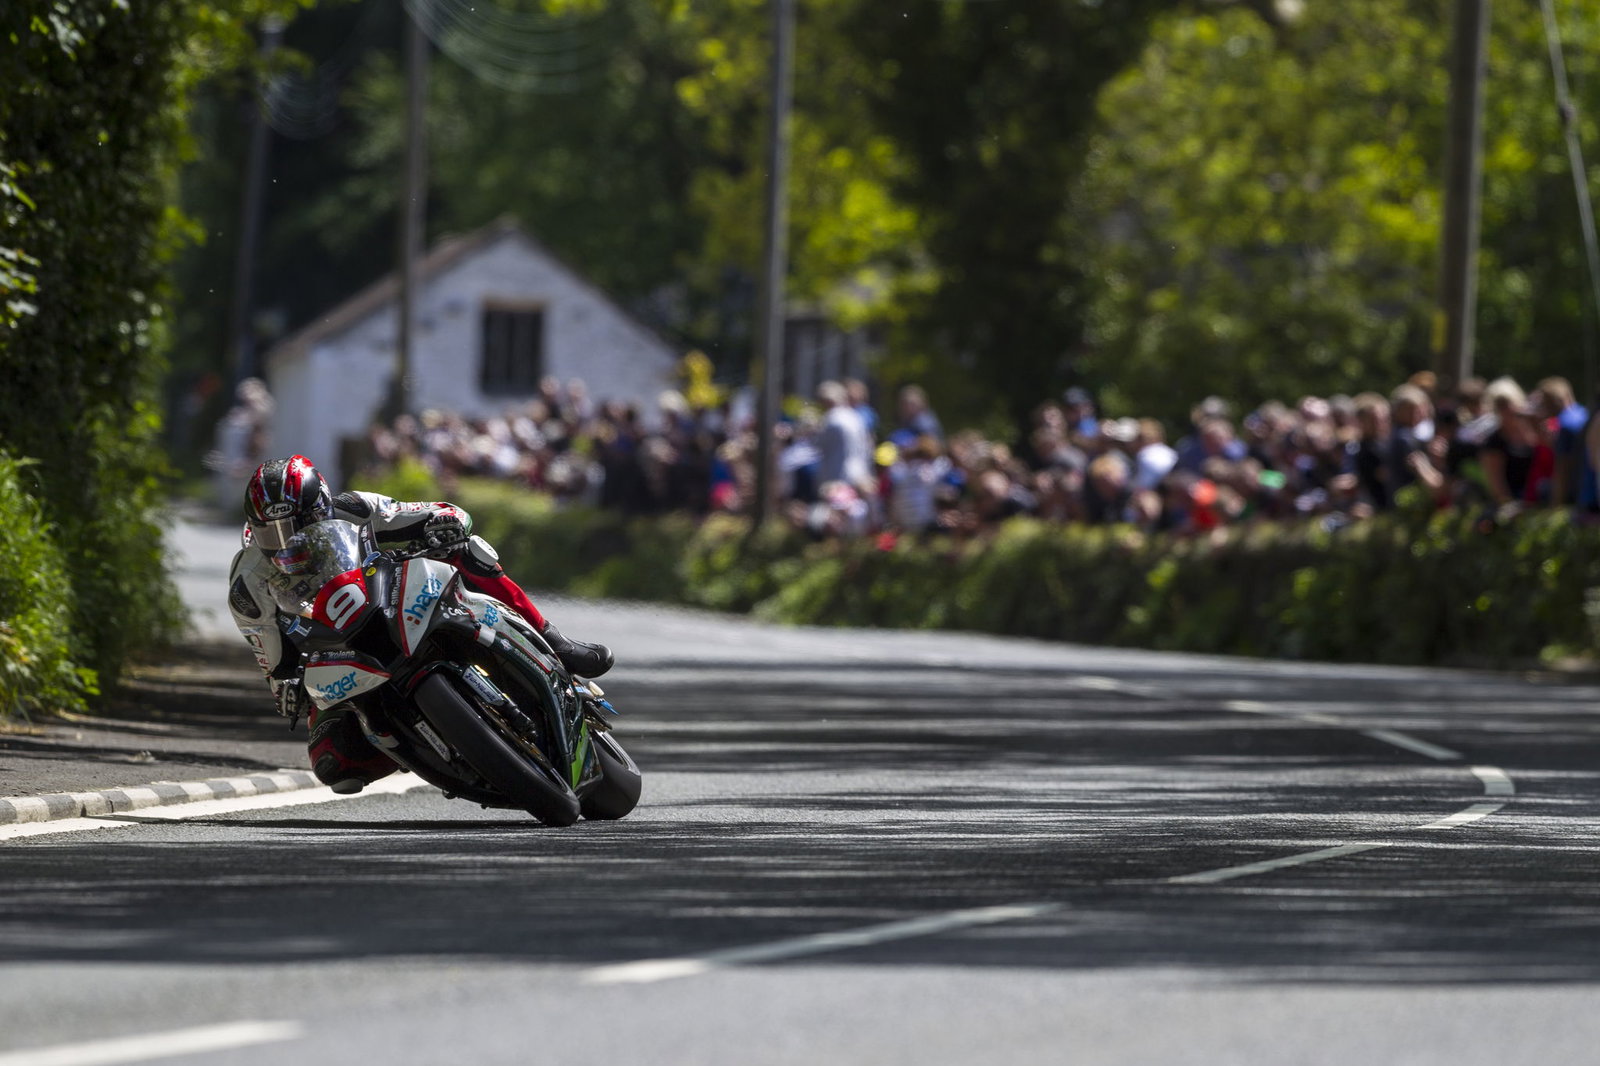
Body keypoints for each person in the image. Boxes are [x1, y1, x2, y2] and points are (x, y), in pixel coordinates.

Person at [226, 455, 613, 794]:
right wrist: (286, 685)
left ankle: (552, 638)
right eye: (271, 533)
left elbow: (430, 512)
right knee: (336, 764)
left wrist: (443, 522)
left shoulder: (357, 507)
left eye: (299, 525)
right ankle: (434, 751)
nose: (286, 541)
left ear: (322, 508)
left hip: (391, 602)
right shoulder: (248, 582)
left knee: (468, 550)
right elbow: (269, 655)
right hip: (333, 649)